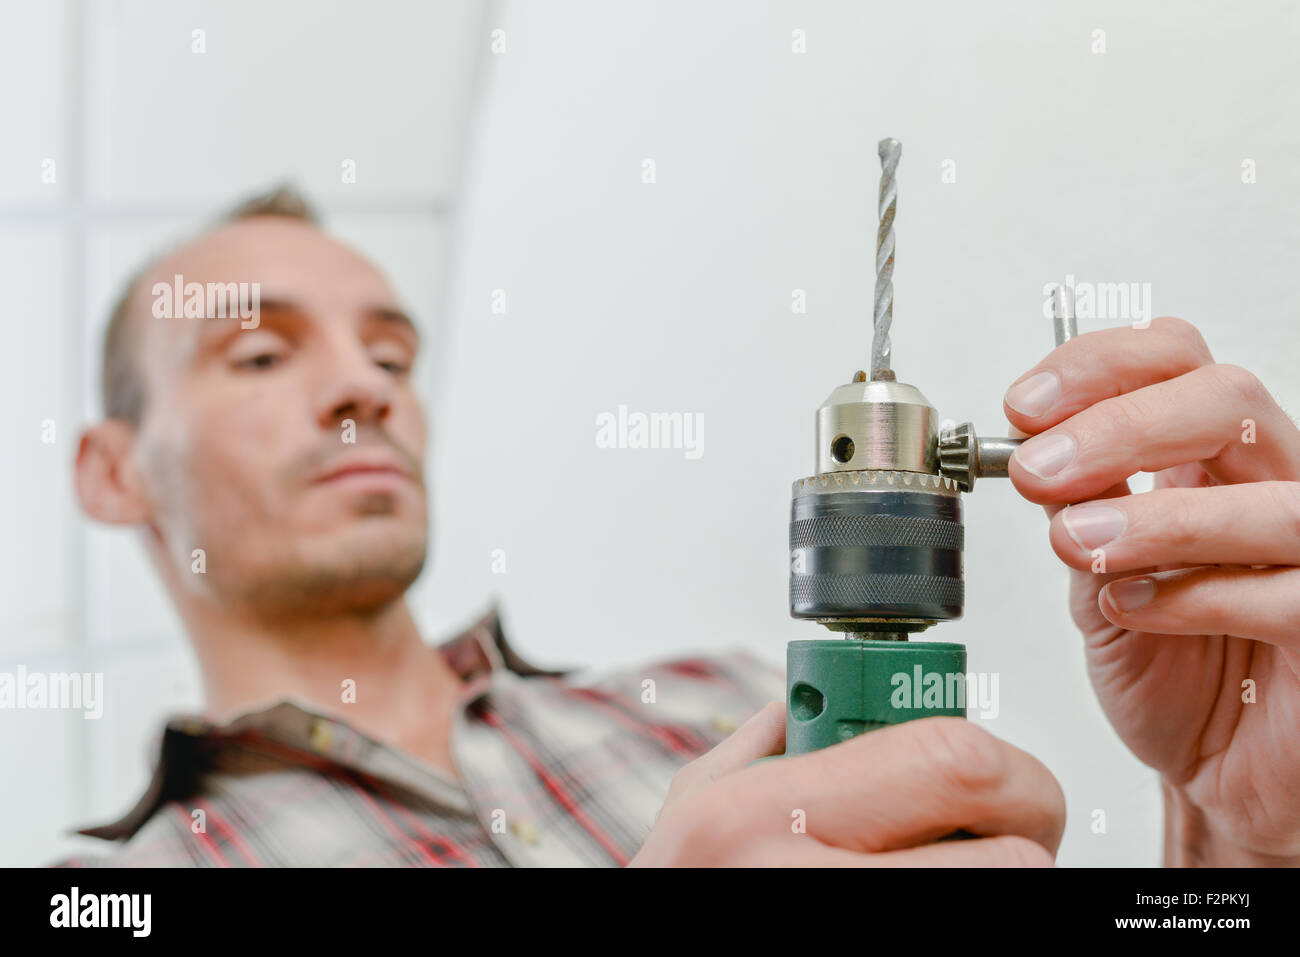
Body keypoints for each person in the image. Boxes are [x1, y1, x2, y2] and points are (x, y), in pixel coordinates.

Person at [59, 187, 1299, 866]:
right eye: (262, 351)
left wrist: (1232, 837)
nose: (365, 388)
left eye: (392, 352)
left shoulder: (723, 704)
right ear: (112, 472)